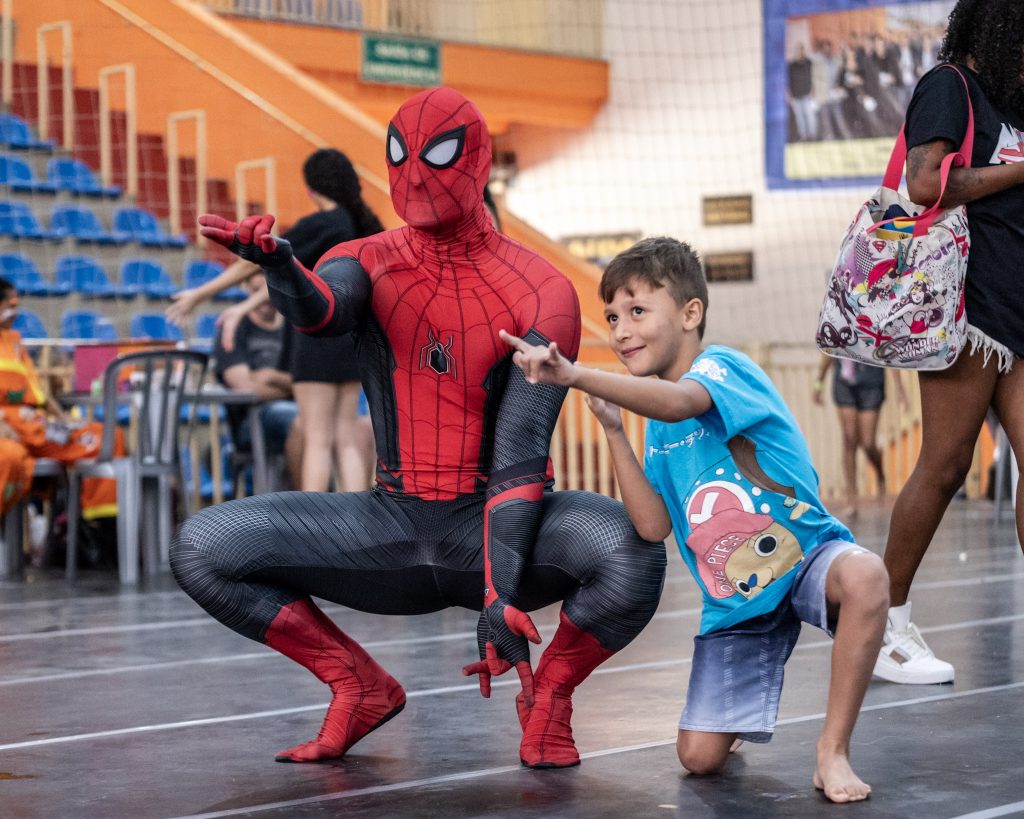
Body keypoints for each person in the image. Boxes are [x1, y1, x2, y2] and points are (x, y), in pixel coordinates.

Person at [170, 87, 666, 769]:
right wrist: (282, 267)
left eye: (437, 155)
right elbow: (322, 309)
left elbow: (520, 455)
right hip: (388, 521)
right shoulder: (367, 256)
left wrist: (501, 592)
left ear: (480, 161)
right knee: (202, 546)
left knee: (632, 551)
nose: (417, 173)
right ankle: (358, 684)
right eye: (401, 156)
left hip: (482, 531)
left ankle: (549, 696)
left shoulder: (539, 287)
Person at [502, 237, 889, 803]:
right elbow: (654, 525)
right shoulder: (654, 423)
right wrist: (613, 430)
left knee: (866, 577)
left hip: (800, 556)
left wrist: (576, 374)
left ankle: (832, 751)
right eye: (612, 316)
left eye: (638, 311)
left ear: (690, 313)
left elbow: (684, 402)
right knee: (699, 759)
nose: (622, 329)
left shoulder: (721, 368)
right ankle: (733, 720)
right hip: (736, 599)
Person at [874, 0, 1024, 686]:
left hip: (1019, 312)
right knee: (945, 466)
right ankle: (884, 624)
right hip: (965, 313)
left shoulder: (1014, 100)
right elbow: (927, 182)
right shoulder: (949, 86)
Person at [168, 148, 380, 492]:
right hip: (350, 340)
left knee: (317, 437)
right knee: (345, 435)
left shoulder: (321, 224)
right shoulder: (359, 225)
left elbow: (259, 260)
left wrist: (200, 294)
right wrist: (244, 306)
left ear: (311, 189)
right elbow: (291, 276)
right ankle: (351, 528)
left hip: (317, 339)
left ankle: (316, 530)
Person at [0, 277, 123, 537]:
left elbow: (39, 393)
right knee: (7, 456)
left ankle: (101, 528)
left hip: (35, 426)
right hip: (8, 427)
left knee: (108, 436)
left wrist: (63, 418)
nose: (14, 308)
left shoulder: (14, 343)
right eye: (9, 302)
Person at [213, 272, 301, 489]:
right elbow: (245, 388)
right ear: (246, 290)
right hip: (250, 422)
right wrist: (291, 387)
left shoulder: (292, 325)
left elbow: (312, 381)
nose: (266, 299)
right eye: (257, 292)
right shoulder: (234, 327)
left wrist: (268, 377)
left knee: (350, 425)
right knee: (301, 420)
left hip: (297, 410)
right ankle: (310, 505)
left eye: (269, 292)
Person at [813, 356, 905, 520]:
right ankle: (851, 496)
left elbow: (889, 350)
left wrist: (900, 389)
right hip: (844, 380)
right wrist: (819, 383)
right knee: (849, 438)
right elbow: (829, 349)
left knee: (868, 442)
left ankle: (880, 473)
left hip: (872, 381)